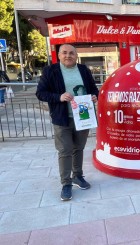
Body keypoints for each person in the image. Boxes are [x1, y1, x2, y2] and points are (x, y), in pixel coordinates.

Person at [36, 44, 99, 201]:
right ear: (58, 55)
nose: (68, 55)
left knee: (79, 148)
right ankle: (66, 183)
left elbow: (93, 89)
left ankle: (78, 176)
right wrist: (59, 97)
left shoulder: (84, 70)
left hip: (83, 117)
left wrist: (94, 96)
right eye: (64, 53)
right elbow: (41, 93)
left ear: (76, 55)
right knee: (65, 150)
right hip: (62, 117)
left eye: (71, 53)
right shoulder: (50, 71)